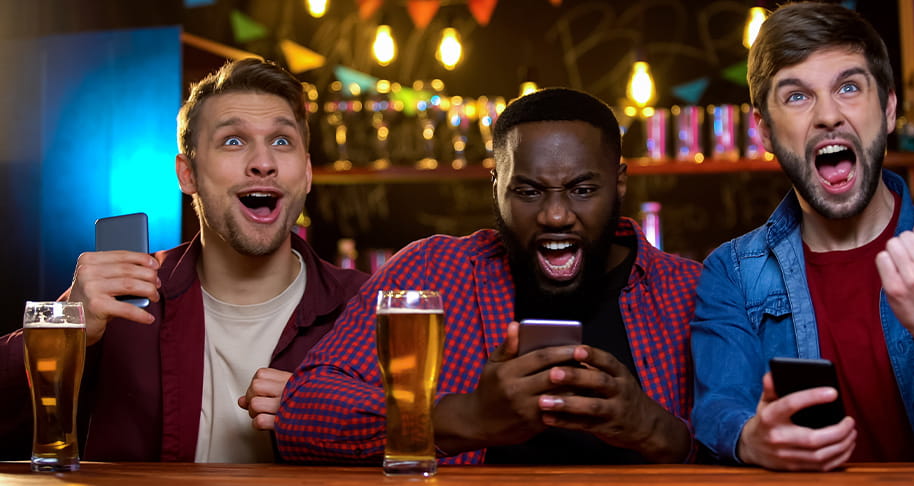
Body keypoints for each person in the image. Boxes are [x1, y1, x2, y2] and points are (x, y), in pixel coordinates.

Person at [276, 88, 703, 464]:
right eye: (528, 191)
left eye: (583, 190)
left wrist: (651, 427)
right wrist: (468, 417)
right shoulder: (431, 272)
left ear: (620, 183)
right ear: (496, 186)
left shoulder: (691, 291)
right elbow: (302, 411)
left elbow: (750, 444)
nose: (556, 214)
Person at [689, 1, 914, 472]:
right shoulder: (732, 274)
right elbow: (717, 408)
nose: (828, 115)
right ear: (764, 129)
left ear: (887, 110)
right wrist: (750, 439)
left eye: (848, 87)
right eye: (797, 96)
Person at [0, 58, 368, 463]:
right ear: (187, 174)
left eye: (282, 141)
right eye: (233, 141)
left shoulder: (363, 307)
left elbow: (433, 442)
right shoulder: (122, 297)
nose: (263, 162)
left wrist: (340, 415)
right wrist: (64, 328)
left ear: (308, 172)